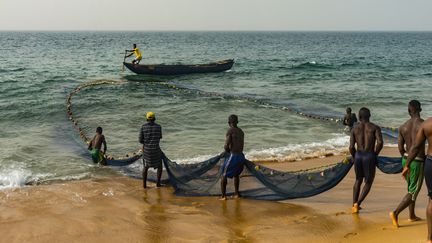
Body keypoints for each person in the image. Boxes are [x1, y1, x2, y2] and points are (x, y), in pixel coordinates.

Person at [390, 100, 425, 227]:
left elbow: (400, 148)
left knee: (411, 188)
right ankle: (395, 212)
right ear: (420, 109)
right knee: (413, 191)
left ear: (409, 111)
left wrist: (406, 161)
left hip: (405, 158)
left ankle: (412, 215)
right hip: (417, 160)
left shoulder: (402, 127)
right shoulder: (423, 125)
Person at [402, 111, 432, 243]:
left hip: (430, 162)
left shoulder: (427, 124)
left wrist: (407, 165)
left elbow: (415, 147)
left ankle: (429, 238)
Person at [349, 107, 383, 213]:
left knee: (358, 180)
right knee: (368, 182)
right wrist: (375, 154)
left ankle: (353, 204)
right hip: (369, 156)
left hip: (358, 155)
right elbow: (380, 142)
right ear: (370, 116)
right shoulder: (375, 128)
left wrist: (354, 157)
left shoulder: (354, 129)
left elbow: (351, 147)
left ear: (359, 117)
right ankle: (357, 204)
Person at [220, 114, 245, 200]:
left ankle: (223, 196)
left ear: (228, 123)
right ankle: (236, 193)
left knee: (223, 174)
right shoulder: (241, 131)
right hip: (241, 156)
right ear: (237, 122)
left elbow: (226, 145)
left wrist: (226, 152)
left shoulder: (230, 131)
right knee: (236, 175)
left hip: (233, 156)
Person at [139, 111, 162, 189]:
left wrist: (146, 143)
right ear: (154, 118)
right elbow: (159, 138)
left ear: (147, 119)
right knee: (160, 166)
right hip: (156, 150)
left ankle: (144, 185)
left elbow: (140, 140)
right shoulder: (159, 127)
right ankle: (158, 184)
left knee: (145, 167)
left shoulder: (143, 127)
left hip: (147, 151)